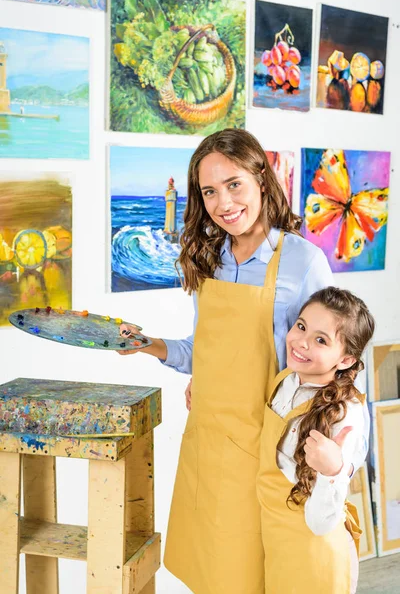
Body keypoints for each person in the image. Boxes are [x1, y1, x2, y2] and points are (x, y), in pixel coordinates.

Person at [118, 128, 370, 594]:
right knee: (214, 572)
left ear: (260, 177)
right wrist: (148, 344)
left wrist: (341, 462)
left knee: (258, 575)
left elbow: (338, 361)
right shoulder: (209, 256)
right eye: (209, 191)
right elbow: (204, 350)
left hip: (268, 450)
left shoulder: (302, 260)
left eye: (233, 184)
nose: (223, 202)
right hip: (210, 443)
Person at [258, 286, 374, 594]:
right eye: (301, 326)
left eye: (320, 340)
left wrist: (333, 471)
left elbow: (322, 523)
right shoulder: (286, 380)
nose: (301, 342)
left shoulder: (344, 414)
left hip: (316, 553)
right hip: (278, 540)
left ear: (347, 359)